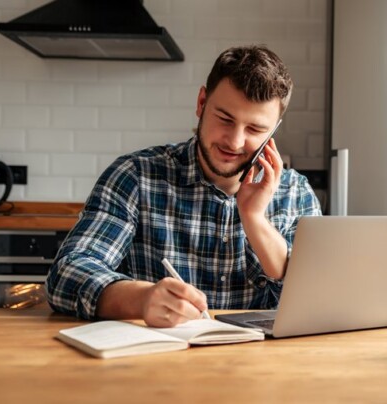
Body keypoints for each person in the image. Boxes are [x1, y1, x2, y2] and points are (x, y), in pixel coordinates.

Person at [46, 45, 323, 327]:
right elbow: (66, 274)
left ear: (274, 130)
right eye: (225, 119)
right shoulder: (136, 176)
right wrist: (142, 299)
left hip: (263, 367)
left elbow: (320, 302)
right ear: (202, 102)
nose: (235, 142)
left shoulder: (297, 194)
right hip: (158, 362)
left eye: (255, 129)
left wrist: (255, 220)